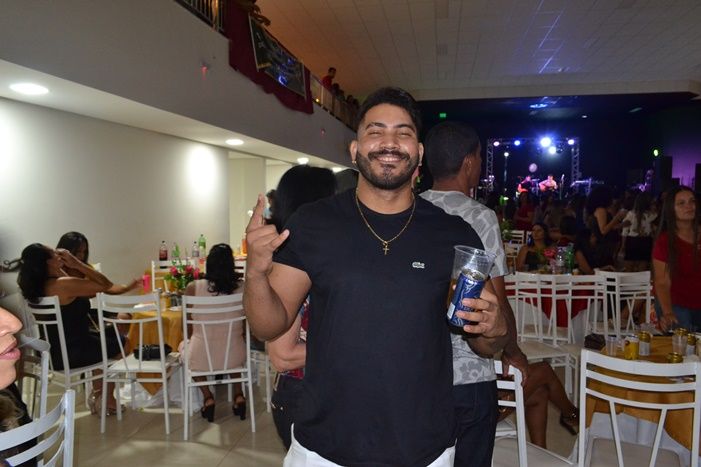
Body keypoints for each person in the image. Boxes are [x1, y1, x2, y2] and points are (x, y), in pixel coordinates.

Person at [244, 87, 507, 466]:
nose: (389, 142)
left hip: (424, 449)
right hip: (323, 449)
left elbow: (483, 342)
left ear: (419, 153)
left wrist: (494, 328)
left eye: (403, 132)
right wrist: (255, 273)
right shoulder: (313, 223)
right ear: (354, 150)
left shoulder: (455, 234)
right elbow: (268, 325)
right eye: (375, 130)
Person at [421, 121, 528, 466]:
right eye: (480, 157)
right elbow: (497, 302)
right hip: (469, 377)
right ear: (469, 162)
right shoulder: (479, 217)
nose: (480, 164)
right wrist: (513, 351)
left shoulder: (410, 212)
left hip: (420, 374)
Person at [266, 165, 336, 449]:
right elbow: (283, 355)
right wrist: (352, 347)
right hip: (302, 393)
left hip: (320, 389)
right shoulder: (291, 261)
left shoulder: (319, 253)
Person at [17, 244, 123, 415]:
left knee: (104, 340)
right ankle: (106, 398)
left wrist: (59, 269)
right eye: (54, 254)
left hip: (49, 353)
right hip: (73, 352)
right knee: (120, 342)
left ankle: (99, 395)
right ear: (47, 262)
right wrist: (77, 264)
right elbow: (105, 285)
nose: (59, 255)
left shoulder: (36, 287)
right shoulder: (63, 285)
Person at [180, 243, 247, 422]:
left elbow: (185, 327)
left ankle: (207, 396)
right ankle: (238, 394)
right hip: (234, 354)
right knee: (232, 345)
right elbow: (245, 324)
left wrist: (191, 338)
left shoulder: (193, 287)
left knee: (187, 349)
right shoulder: (242, 287)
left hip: (201, 355)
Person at [497, 361, 578, 449]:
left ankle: (540, 452)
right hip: (489, 406)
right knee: (544, 369)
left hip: (491, 396)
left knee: (540, 393)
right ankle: (572, 415)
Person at [653, 186, 700, 332]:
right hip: (676, 302)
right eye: (681, 203)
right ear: (671, 209)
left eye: (692, 201)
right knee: (683, 341)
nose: (689, 206)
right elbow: (662, 282)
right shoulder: (665, 242)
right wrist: (667, 312)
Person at [56, 231, 141, 294]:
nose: (82, 255)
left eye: (84, 252)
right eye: (78, 252)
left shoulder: (86, 269)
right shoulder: (56, 269)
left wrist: (128, 287)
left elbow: (108, 287)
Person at [586, 186, 626, 267]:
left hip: (603, 245)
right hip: (603, 247)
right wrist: (616, 218)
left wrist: (621, 225)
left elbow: (607, 227)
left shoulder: (597, 210)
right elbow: (603, 230)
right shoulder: (601, 210)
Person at [621, 192, 657, 272]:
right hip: (646, 241)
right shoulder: (653, 215)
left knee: (629, 268)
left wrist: (623, 245)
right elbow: (654, 231)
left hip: (632, 241)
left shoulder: (631, 213)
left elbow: (625, 230)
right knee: (642, 269)